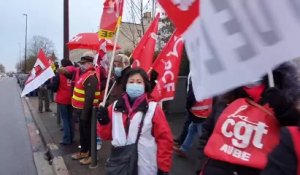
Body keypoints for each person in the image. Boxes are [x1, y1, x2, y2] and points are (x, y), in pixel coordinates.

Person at [198, 62, 300, 175]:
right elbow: (207, 133)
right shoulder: (227, 99)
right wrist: (202, 165)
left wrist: (285, 110)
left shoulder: (281, 102)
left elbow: (294, 138)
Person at [97, 68, 173, 175]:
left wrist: (163, 167)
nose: (135, 85)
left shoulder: (153, 109)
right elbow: (105, 136)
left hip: (145, 165)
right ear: (126, 85)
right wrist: (103, 122)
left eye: (139, 82)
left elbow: (165, 140)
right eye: (131, 82)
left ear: (145, 85)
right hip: (120, 164)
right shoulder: (114, 107)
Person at [70, 53, 101, 165]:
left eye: (83, 63)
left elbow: (89, 97)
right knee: (83, 133)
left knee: (88, 134)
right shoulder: (85, 74)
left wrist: (85, 114)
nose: (81, 65)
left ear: (89, 63)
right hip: (80, 110)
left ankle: (91, 156)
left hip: (86, 111)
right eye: (81, 63)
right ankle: (84, 152)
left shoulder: (91, 77)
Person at [174, 77, 213, 157]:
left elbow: (191, 98)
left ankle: (207, 155)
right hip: (204, 113)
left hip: (198, 114)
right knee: (191, 129)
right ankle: (183, 149)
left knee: (202, 136)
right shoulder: (210, 83)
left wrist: (188, 108)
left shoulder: (197, 83)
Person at [52, 59, 74, 145]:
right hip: (73, 98)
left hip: (62, 98)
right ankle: (71, 137)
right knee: (71, 119)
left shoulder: (60, 73)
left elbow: (55, 87)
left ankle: (67, 139)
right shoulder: (75, 71)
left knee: (65, 120)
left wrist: (49, 86)